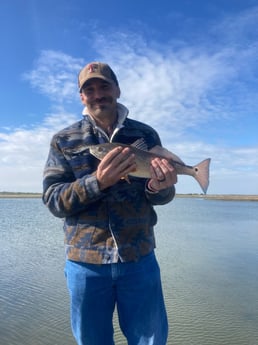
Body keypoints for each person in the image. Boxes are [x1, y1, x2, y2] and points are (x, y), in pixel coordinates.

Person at [42, 62, 177, 345]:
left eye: (104, 86)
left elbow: (161, 197)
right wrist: (97, 182)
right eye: (89, 89)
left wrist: (160, 187)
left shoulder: (145, 135)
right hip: (85, 264)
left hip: (139, 258)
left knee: (150, 340)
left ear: (117, 89)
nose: (98, 94)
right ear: (82, 97)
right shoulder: (63, 140)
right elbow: (53, 200)